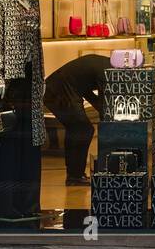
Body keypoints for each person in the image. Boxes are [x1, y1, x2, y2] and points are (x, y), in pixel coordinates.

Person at [43, 54, 110, 186]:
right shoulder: (108, 72)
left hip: (57, 89)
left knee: (78, 129)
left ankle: (74, 174)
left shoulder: (104, 64)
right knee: (82, 130)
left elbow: (85, 88)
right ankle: (75, 175)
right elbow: (105, 105)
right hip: (60, 92)